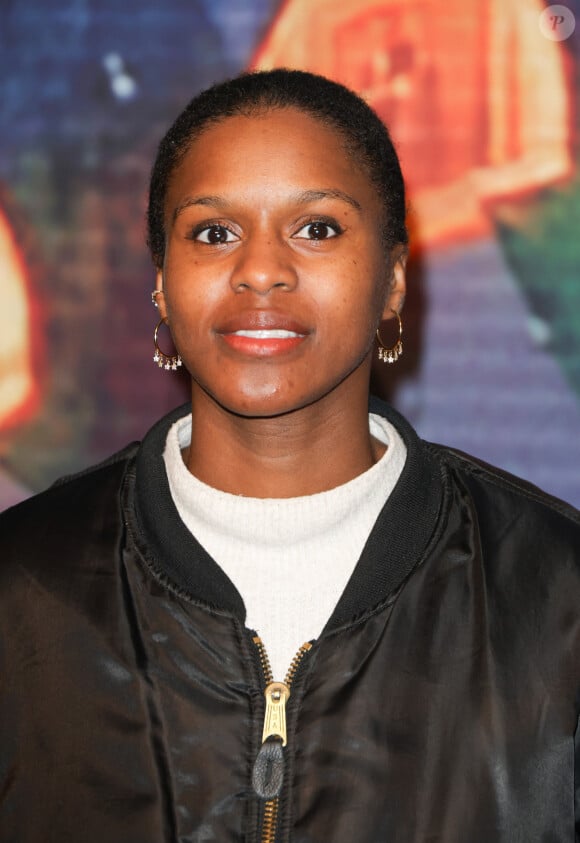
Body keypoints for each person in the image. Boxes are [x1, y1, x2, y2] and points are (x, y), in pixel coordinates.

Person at [0, 69, 578, 843]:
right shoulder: (21, 588)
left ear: (394, 282)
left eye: (317, 228)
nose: (261, 269)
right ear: (163, 286)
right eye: (213, 232)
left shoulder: (557, 597)